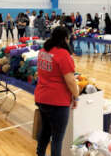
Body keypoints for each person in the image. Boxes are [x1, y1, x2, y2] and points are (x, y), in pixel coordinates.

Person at [35, 26, 79, 156]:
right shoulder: (63, 54)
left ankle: (40, 154)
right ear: (65, 39)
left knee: (45, 131)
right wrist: (76, 96)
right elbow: (70, 81)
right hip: (57, 101)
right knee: (57, 138)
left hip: (42, 98)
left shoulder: (43, 51)